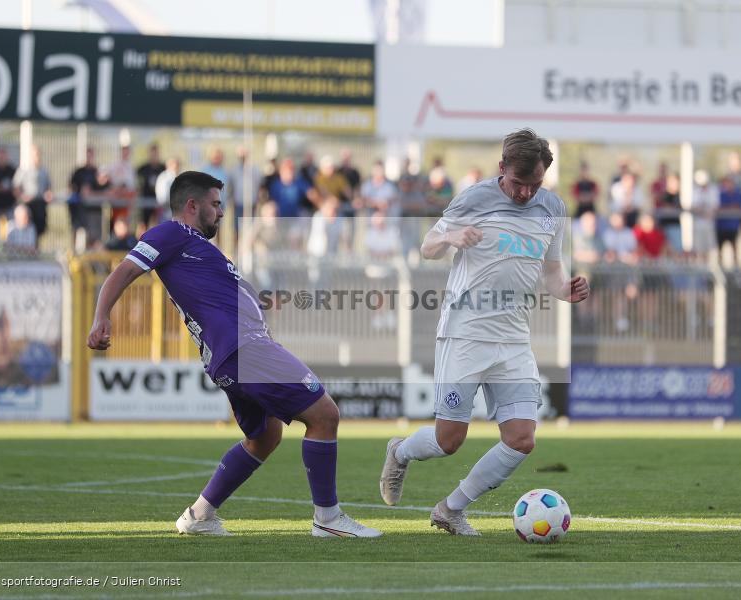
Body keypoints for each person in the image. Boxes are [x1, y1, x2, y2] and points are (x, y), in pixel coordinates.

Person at [87, 171, 381, 538]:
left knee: (265, 437)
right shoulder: (170, 233)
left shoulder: (197, 246)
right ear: (192, 206)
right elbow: (124, 271)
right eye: (215, 204)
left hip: (236, 350)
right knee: (324, 415)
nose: (221, 212)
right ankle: (328, 519)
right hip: (243, 348)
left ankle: (199, 515)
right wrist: (102, 317)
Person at [379, 129, 589, 535]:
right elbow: (428, 246)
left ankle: (451, 509)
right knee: (449, 440)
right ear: (501, 169)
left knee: (522, 438)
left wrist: (567, 290)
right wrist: (452, 236)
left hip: (513, 339)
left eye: (535, 184)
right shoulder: (474, 198)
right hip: (466, 332)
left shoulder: (552, 209)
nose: (526, 193)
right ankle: (400, 451)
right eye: (518, 183)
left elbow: (551, 271)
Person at [12, 145, 53, 241]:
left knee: (39, 230)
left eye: (37, 154)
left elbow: (48, 188)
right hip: (28, 205)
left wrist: (48, 195)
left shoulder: (44, 171)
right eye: (34, 155)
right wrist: (22, 196)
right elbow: (16, 188)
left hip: (40, 204)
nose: (36, 157)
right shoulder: (23, 170)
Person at [137, 143, 166, 227]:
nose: (154, 156)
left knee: (159, 225)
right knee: (143, 224)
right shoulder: (142, 169)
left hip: (159, 202)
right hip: (145, 201)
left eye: (156, 154)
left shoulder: (163, 168)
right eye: (152, 153)